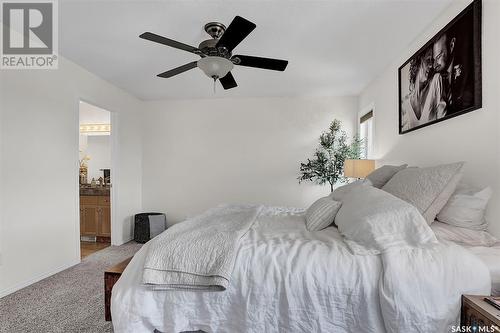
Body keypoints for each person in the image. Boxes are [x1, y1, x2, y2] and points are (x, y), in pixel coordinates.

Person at [401, 47, 446, 131]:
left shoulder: (436, 81)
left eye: (432, 61)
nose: (431, 65)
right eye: (428, 60)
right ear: (418, 62)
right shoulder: (404, 103)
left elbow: (443, 124)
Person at [433, 28, 473, 116]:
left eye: (438, 56)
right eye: (433, 59)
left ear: (451, 45)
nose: (434, 65)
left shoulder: (467, 71)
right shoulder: (438, 77)